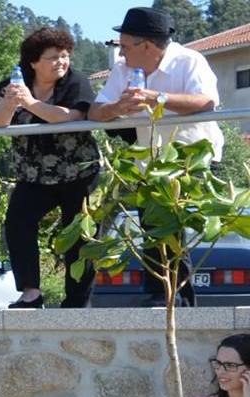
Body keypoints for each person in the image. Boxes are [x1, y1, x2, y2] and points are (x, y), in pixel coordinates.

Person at [91, 6, 222, 306]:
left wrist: (157, 98)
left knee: (172, 225)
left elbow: (205, 101)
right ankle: (161, 296)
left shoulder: (190, 61)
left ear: (146, 45)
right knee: (153, 226)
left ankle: (176, 300)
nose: (121, 54)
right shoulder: (122, 70)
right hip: (149, 161)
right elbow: (95, 110)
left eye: (124, 46)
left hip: (192, 159)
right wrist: (116, 109)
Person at [0, 27, 102, 309]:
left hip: (77, 172)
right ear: (34, 62)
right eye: (53, 57)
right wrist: (10, 104)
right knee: (17, 222)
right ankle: (30, 293)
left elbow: (70, 115)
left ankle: (77, 302)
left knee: (79, 233)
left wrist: (30, 103)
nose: (61, 62)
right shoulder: (17, 81)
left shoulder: (76, 82)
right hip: (34, 174)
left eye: (65, 56)